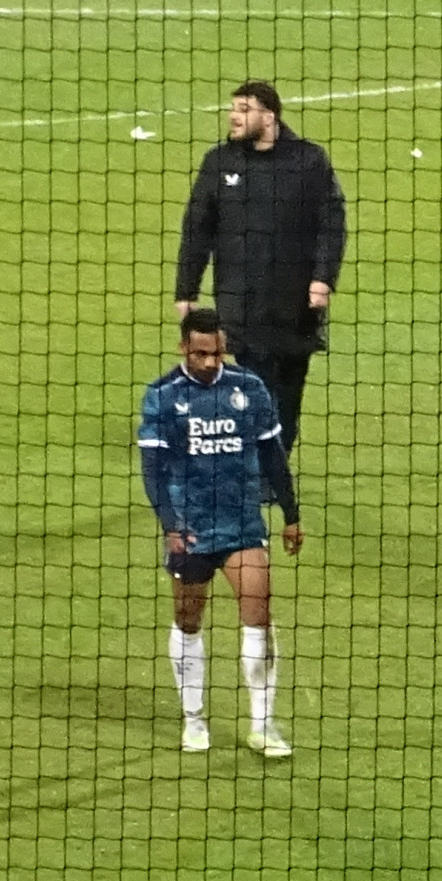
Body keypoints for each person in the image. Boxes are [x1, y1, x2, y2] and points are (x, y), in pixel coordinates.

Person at [136, 310, 298, 759]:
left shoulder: (249, 389)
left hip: (242, 525)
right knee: (189, 620)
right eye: (201, 353)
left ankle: (263, 725)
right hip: (190, 531)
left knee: (259, 617)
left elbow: (273, 454)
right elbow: (152, 471)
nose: (210, 362)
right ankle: (194, 718)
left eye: (217, 352)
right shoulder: (163, 397)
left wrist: (291, 512)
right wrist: (169, 525)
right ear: (184, 348)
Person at [172, 80, 342, 457]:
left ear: (269, 115)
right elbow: (197, 227)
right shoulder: (220, 162)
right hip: (241, 301)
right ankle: (262, 467)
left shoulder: (308, 161)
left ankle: (276, 461)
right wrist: (186, 289)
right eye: (233, 108)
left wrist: (322, 279)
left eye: (244, 109)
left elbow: (331, 223)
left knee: (289, 388)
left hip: (296, 301)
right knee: (256, 382)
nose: (234, 116)